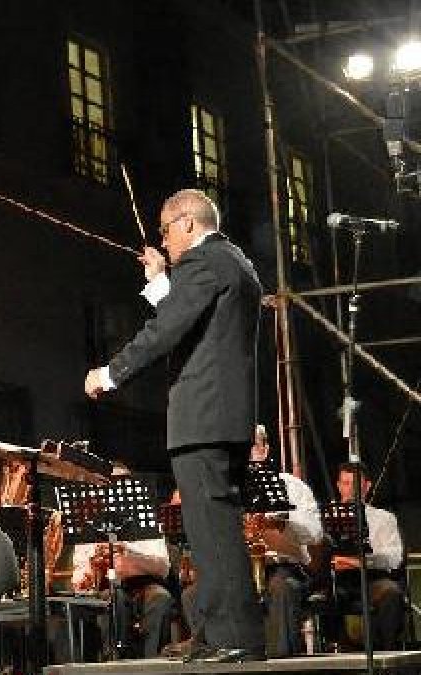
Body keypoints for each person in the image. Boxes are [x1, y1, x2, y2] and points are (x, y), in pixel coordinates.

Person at [83, 189, 265, 663]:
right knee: (210, 530)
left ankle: (234, 636)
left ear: (187, 224)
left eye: (165, 231)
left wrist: (111, 372)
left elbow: (167, 331)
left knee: (214, 529)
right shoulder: (234, 262)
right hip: (223, 416)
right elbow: (191, 318)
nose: (163, 242)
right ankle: (215, 630)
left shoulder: (205, 261)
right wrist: (160, 282)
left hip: (204, 418)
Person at [180, 426, 322, 657]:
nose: (245, 453)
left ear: (264, 450)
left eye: (252, 446)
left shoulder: (291, 486)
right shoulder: (224, 491)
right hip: (240, 568)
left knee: (280, 588)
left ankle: (278, 661)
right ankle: (216, 652)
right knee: (193, 594)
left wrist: (281, 521)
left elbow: (315, 533)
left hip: (285, 567)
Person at [70, 464, 174, 658]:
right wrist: (89, 569)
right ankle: (114, 663)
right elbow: (78, 577)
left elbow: (163, 566)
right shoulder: (89, 524)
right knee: (111, 602)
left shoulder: (146, 521)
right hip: (104, 588)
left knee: (161, 599)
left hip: (143, 586)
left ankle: (153, 665)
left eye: (122, 486)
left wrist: (128, 553)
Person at [329, 462, 406, 649]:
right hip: (336, 581)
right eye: (345, 484)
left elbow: (394, 558)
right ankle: (338, 651)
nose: (350, 490)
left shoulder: (384, 518)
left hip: (372, 579)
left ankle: (384, 652)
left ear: (367, 486)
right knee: (322, 595)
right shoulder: (327, 515)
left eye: (355, 484)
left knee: (391, 593)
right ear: (338, 486)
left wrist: (361, 562)